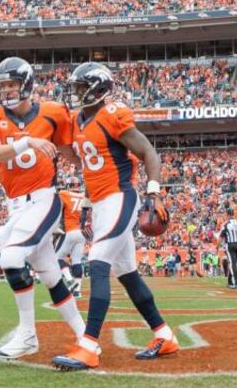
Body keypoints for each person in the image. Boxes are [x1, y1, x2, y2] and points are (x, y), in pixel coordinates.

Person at [53, 62, 178, 371]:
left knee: (97, 263)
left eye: (82, 88)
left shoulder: (113, 115)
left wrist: (154, 192)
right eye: (76, 88)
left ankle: (89, 345)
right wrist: (86, 207)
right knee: (126, 273)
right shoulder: (77, 120)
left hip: (121, 197)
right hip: (100, 202)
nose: (77, 93)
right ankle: (164, 334)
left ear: (99, 90)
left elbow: (149, 152)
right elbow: (79, 161)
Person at [0, 57, 87, 360]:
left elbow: (69, 153)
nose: (7, 90)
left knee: (11, 257)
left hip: (43, 199)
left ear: (26, 84)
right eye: (3, 86)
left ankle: (27, 335)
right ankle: (84, 335)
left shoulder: (52, 113)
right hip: (16, 207)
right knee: (50, 274)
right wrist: (29, 142)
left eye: (12, 84)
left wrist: (93, 171)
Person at [54, 186, 88, 297]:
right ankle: (77, 291)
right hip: (82, 232)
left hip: (70, 230)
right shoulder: (84, 196)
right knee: (76, 260)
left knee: (57, 258)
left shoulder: (65, 194)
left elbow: (56, 208)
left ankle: (70, 281)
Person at [220, 210, 237, 289]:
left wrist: (217, 246)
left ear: (227, 215)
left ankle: (236, 282)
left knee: (232, 263)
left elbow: (221, 237)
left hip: (230, 245)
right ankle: (230, 282)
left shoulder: (226, 224)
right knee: (234, 262)